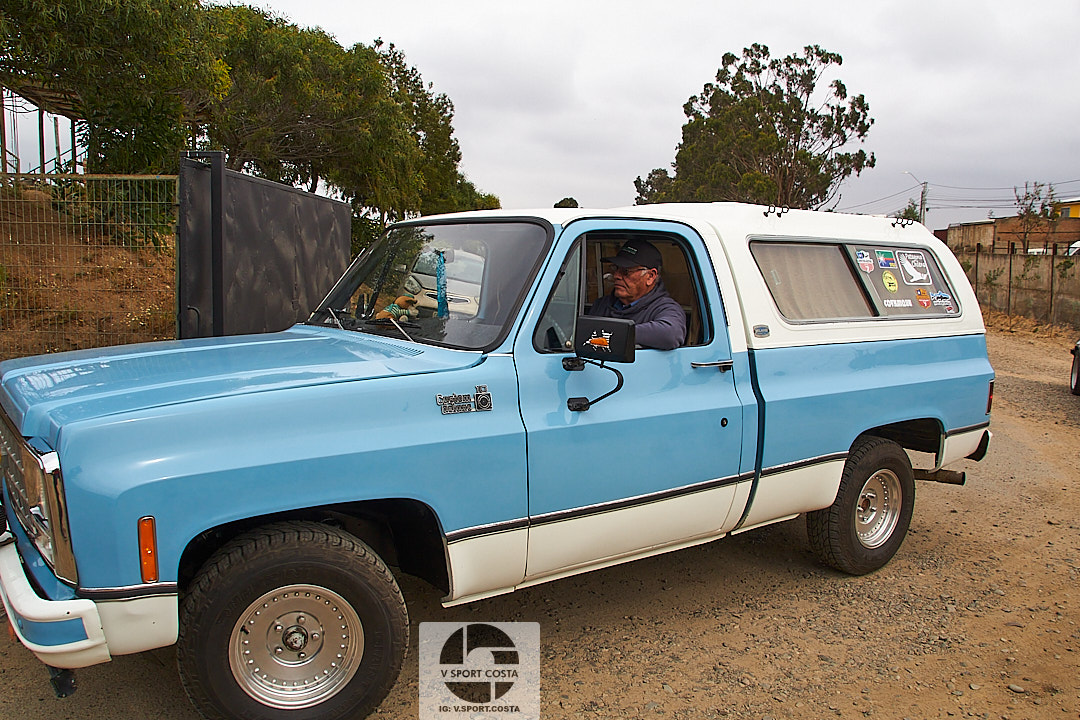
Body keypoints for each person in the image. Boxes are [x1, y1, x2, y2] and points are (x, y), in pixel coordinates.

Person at [588, 238, 686, 349]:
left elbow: (670, 334)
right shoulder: (602, 304)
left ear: (650, 277)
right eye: (616, 268)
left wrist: (612, 334)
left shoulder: (665, 308)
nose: (616, 275)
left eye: (626, 271)